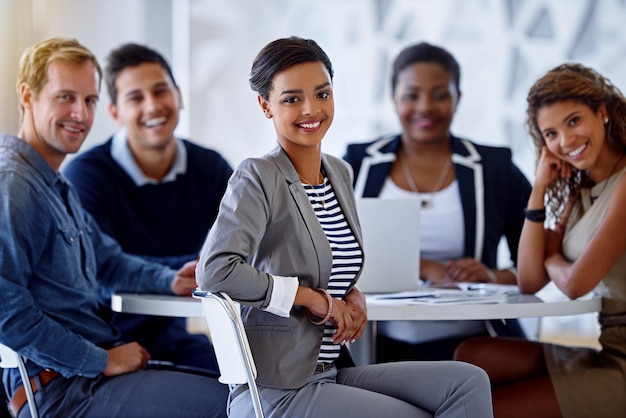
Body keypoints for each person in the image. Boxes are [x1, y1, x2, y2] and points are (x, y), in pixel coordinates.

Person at [196, 36, 494, 417]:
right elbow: (216, 272)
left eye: (322, 94)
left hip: (332, 370)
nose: (311, 109)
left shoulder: (339, 173)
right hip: (279, 388)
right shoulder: (257, 176)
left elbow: (326, 262)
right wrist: (313, 299)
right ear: (265, 106)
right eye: (291, 99)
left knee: (468, 383)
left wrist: (353, 294)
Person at [0, 37, 228, 417]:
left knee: (241, 391)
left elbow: (109, 262)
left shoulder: (55, 184)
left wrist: (170, 279)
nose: (81, 114)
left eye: (88, 101)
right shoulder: (14, 183)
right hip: (62, 389)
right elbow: (5, 310)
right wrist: (100, 361)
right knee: (236, 406)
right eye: (65, 98)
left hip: (88, 377)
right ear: (27, 96)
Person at [453, 63, 626, 418]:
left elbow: (576, 283)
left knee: (481, 409)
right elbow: (530, 279)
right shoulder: (582, 192)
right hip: (608, 349)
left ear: (603, 112)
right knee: (472, 355)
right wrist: (539, 191)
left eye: (574, 121)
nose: (566, 142)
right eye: (551, 134)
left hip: (622, 366)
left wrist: (554, 260)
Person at [343, 42, 531, 361]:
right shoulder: (357, 164)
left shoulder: (494, 168)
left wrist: (494, 276)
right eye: (411, 95)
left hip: (474, 344)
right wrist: (424, 267)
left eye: (440, 94)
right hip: (375, 345)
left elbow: (533, 265)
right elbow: (328, 253)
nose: (425, 107)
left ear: (459, 98)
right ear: (394, 98)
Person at [63, 43, 233, 374]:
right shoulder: (85, 176)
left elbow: (259, 233)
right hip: (107, 345)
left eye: (160, 91)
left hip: (171, 333)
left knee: (244, 387)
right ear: (115, 113)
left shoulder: (210, 168)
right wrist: (189, 270)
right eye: (135, 98)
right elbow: (100, 270)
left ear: (179, 96)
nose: (152, 106)